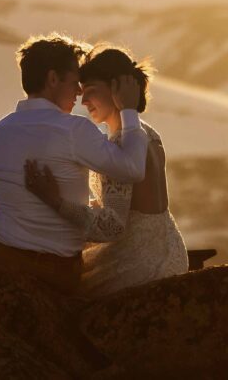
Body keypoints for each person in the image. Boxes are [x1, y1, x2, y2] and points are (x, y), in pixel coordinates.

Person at [0, 33, 149, 297]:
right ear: (53, 79)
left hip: (4, 256)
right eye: (74, 81)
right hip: (57, 268)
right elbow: (132, 168)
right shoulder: (74, 130)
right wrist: (129, 111)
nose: (79, 91)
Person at [24, 45, 188, 296]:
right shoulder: (146, 133)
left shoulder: (121, 146)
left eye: (90, 91)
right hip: (171, 249)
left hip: (138, 262)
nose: (83, 99)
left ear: (117, 90)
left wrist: (56, 201)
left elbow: (111, 227)